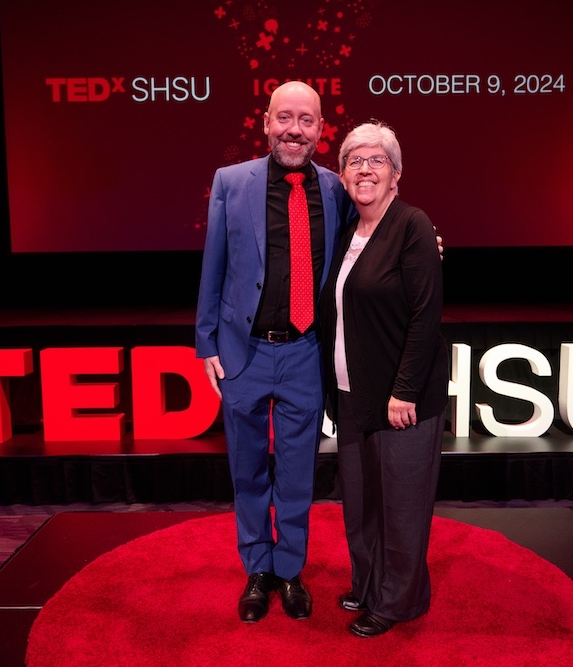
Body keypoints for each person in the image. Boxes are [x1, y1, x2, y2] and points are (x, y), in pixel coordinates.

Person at [195, 82, 443, 625]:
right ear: (265, 121)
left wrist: (427, 239)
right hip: (243, 353)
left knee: (298, 475)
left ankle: (289, 571)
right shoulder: (230, 183)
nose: (294, 129)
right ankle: (257, 568)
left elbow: (379, 234)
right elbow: (213, 264)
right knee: (247, 469)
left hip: (307, 353)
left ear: (320, 129)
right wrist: (206, 340)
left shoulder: (336, 188)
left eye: (306, 121)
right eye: (284, 118)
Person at [319, 120, 449, 638]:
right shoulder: (345, 232)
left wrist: (404, 391)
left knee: (401, 505)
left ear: (396, 175)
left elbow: (426, 316)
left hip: (402, 400)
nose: (365, 168)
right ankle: (370, 583)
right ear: (343, 174)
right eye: (355, 160)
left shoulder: (413, 225)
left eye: (377, 160)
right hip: (353, 395)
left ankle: (399, 601)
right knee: (362, 503)